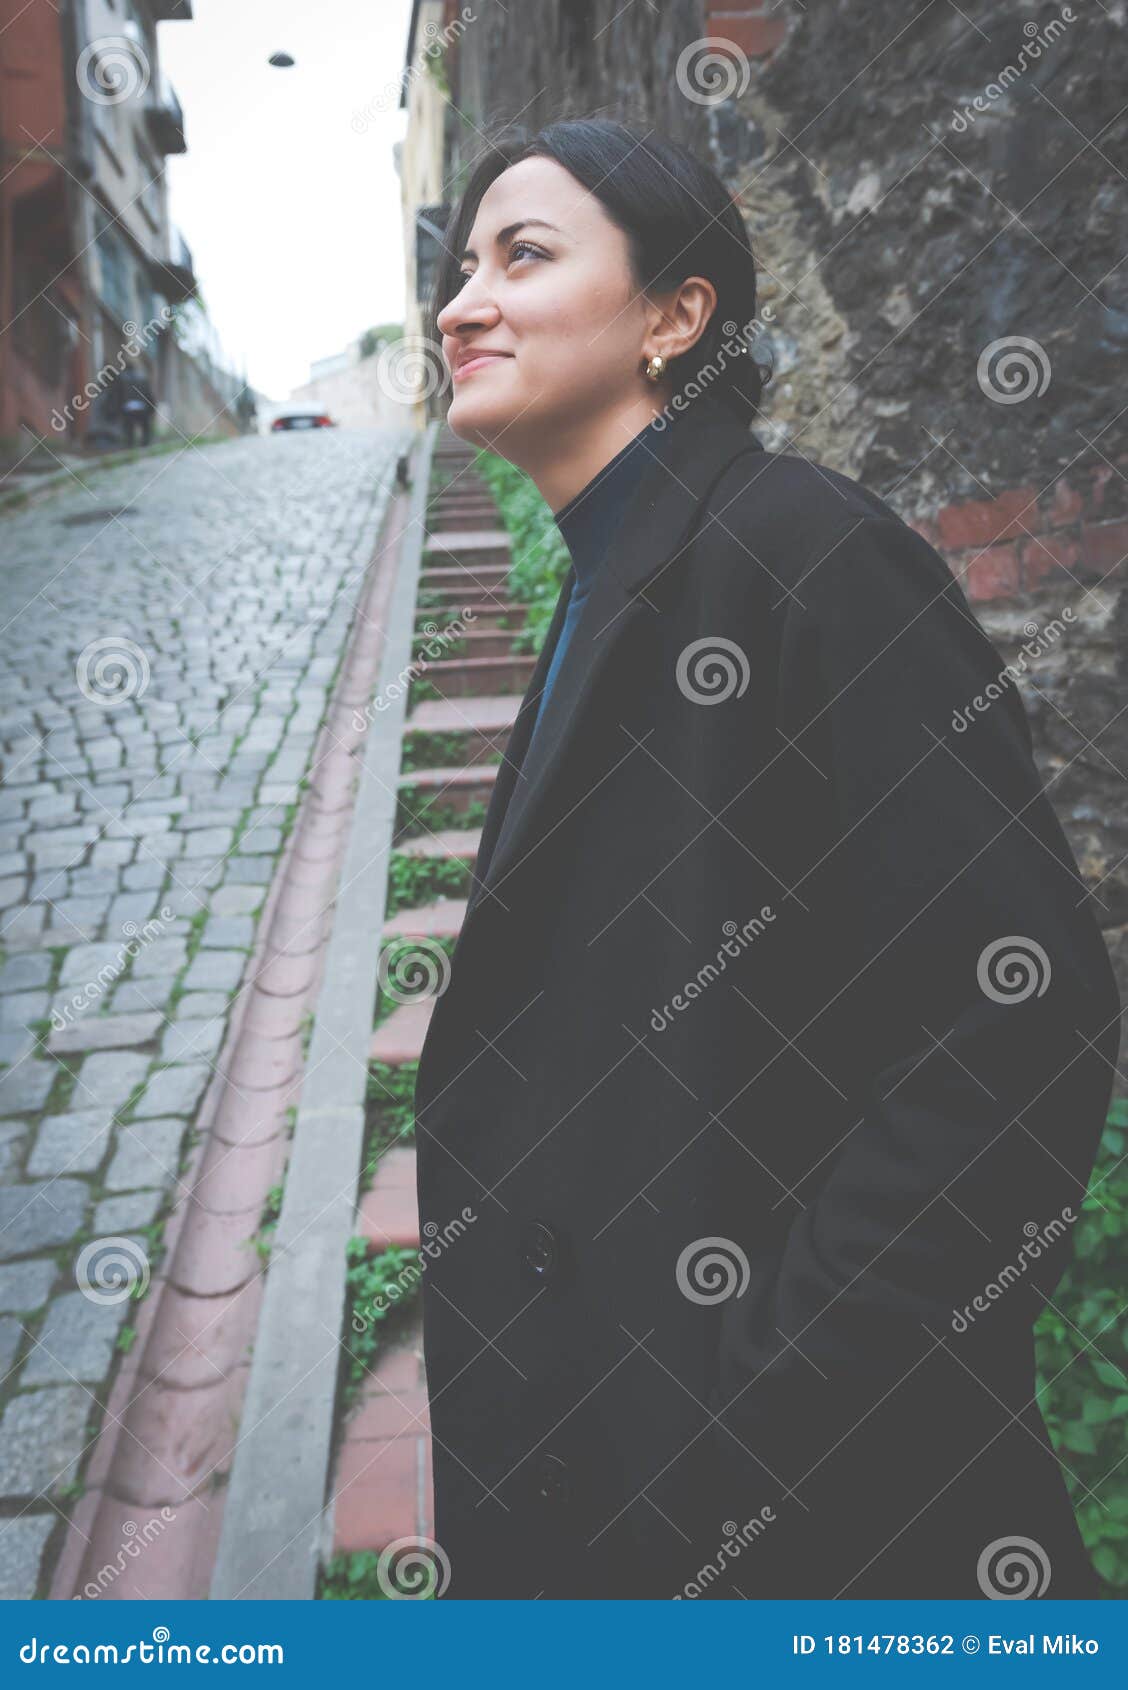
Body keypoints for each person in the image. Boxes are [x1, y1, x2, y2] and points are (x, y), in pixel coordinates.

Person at [411, 116, 1121, 1600]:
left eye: (521, 256)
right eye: (459, 264)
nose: (458, 303)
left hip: (812, 1538)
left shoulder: (811, 559)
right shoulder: (612, 580)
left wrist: (764, 1408)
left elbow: (1016, 1018)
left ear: (679, 314)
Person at [115, 367, 156, 448]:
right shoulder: (143, 379)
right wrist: (152, 407)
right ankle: (145, 443)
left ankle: (130, 443)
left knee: (128, 426)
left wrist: (118, 408)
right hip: (142, 407)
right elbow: (148, 395)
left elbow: (118, 395)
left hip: (128, 407)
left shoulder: (122, 379)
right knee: (145, 425)